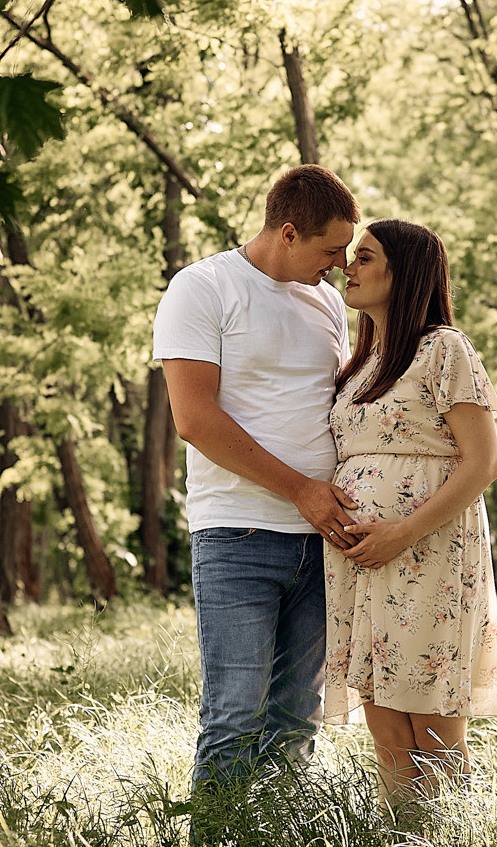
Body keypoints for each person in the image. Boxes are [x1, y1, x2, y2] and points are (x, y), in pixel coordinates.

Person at [153, 164, 362, 788]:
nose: (339, 265)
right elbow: (194, 419)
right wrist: (301, 490)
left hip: (322, 539)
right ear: (289, 232)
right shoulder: (202, 289)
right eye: (331, 249)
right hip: (239, 535)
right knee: (234, 715)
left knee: (297, 718)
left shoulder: (326, 302)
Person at [325, 218, 497, 812]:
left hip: (427, 551)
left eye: (365, 257)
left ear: (404, 275)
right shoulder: (359, 365)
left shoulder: (443, 349)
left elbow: (482, 464)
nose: (348, 266)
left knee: (432, 725)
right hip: (363, 564)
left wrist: (400, 532)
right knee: (385, 724)